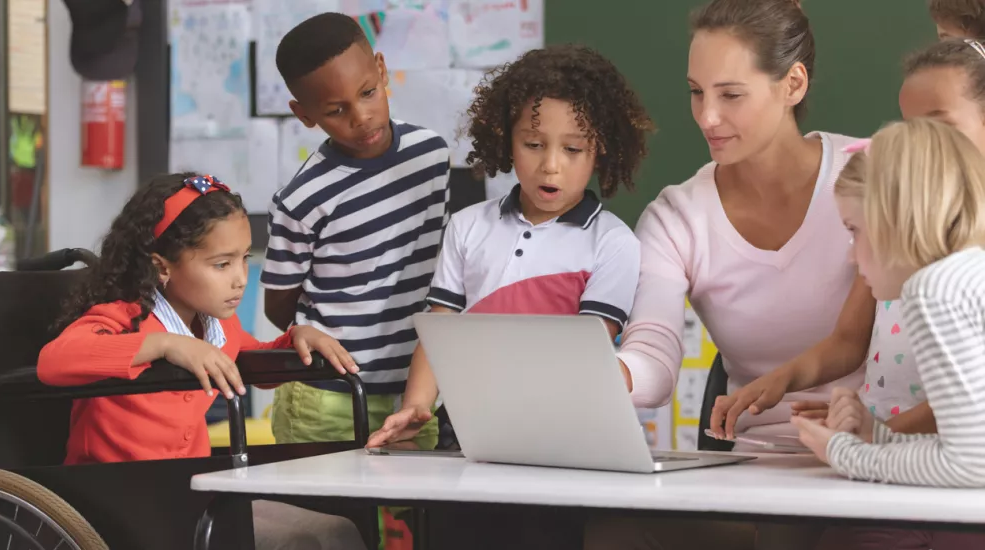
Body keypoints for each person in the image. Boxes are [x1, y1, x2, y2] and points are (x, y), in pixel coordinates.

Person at [586, 0, 863, 548]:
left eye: (730, 94)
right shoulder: (677, 215)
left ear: (793, 84)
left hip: (870, 460)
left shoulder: (870, 177)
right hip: (755, 479)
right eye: (696, 91)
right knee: (611, 528)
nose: (706, 116)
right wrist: (610, 374)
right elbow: (656, 354)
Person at [39, 174, 367, 549]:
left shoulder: (219, 325)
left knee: (335, 531)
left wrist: (294, 339)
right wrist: (163, 344)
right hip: (115, 496)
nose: (240, 279)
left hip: (193, 487)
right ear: (163, 268)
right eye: (221, 264)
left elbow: (250, 361)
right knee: (300, 539)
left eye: (243, 259)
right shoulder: (122, 316)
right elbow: (55, 360)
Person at [366, 44, 652, 450]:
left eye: (572, 149)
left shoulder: (613, 242)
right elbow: (439, 330)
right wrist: (416, 405)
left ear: (600, 152)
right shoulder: (466, 227)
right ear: (506, 140)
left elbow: (585, 355)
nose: (551, 165)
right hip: (465, 427)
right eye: (534, 144)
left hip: (564, 432)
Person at [260, 13, 450, 449]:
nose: (361, 117)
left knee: (412, 516)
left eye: (367, 93)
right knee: (328, 518)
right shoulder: (302, 198)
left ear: (381, 71)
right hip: (326, 399)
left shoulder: (431, 157)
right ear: (304, 115)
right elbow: (280, 307)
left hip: (414, 391)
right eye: (335, 110)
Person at [795, 118, 985, 550]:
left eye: (854, 231)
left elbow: (972, 463)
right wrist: (877, 435)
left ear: (896, 219)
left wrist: (845, 454)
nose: (850, 255)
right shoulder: (968, 274)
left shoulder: (934, 290)